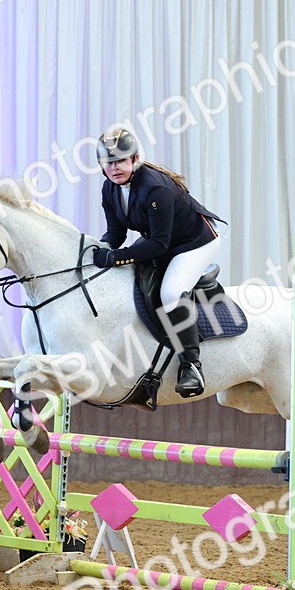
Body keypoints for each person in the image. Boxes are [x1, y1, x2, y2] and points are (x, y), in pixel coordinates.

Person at [92, 127, 225, 398]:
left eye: (120, 161)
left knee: (170, 293)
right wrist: (98, 251)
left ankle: (191, 366)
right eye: (108, 163)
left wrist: (116, 258)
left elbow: (159, 244)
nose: (114, 168)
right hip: (161, 241)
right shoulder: (109, 188)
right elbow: (116, 234)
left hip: (194, 243)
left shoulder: (155, 188)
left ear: (135, 159)